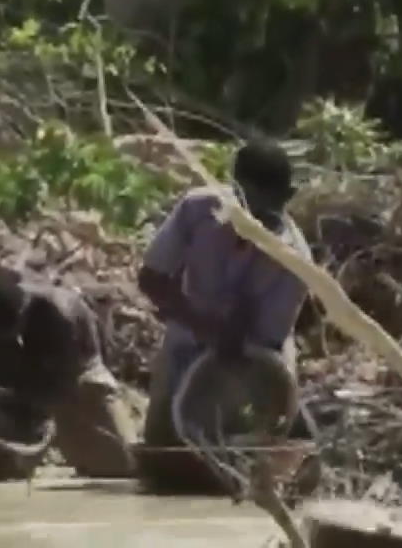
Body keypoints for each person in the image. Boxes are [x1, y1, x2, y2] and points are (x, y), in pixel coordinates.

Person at [136, 140, 318, 488]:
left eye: (266, 212)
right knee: (162, 455)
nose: (254, 220)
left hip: (256, 358)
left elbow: (263, 346)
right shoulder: (197, 210)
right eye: (247, 206)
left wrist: (232, 335)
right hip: (186, 341)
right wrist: (199, 322)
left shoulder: (295, 261)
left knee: (251, 450)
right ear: (233, 191)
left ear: (288, 196)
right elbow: (151, 278)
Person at [0, 266, 137, 482]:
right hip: (32, 381)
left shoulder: (61, 317)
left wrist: (4, 401)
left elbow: (57, 388)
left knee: (124, 471)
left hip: (81, 382)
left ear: (18, 317)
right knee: (1, 477)